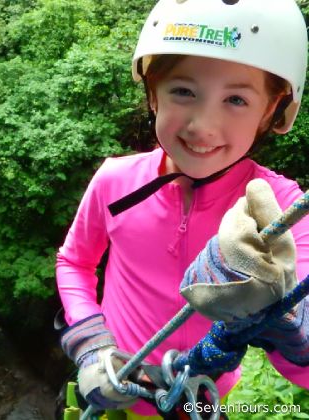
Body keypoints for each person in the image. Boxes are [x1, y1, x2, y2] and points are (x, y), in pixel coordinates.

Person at [56, 0, 309, 418]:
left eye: (236, 100)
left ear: (271, 110)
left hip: (202, 399)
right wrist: (90, 346)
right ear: (153, 93)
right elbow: (75, 262)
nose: (201, 127)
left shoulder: (282, 210)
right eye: (183, 91)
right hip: (114, 388)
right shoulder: (115, 181)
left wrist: (282, 314)